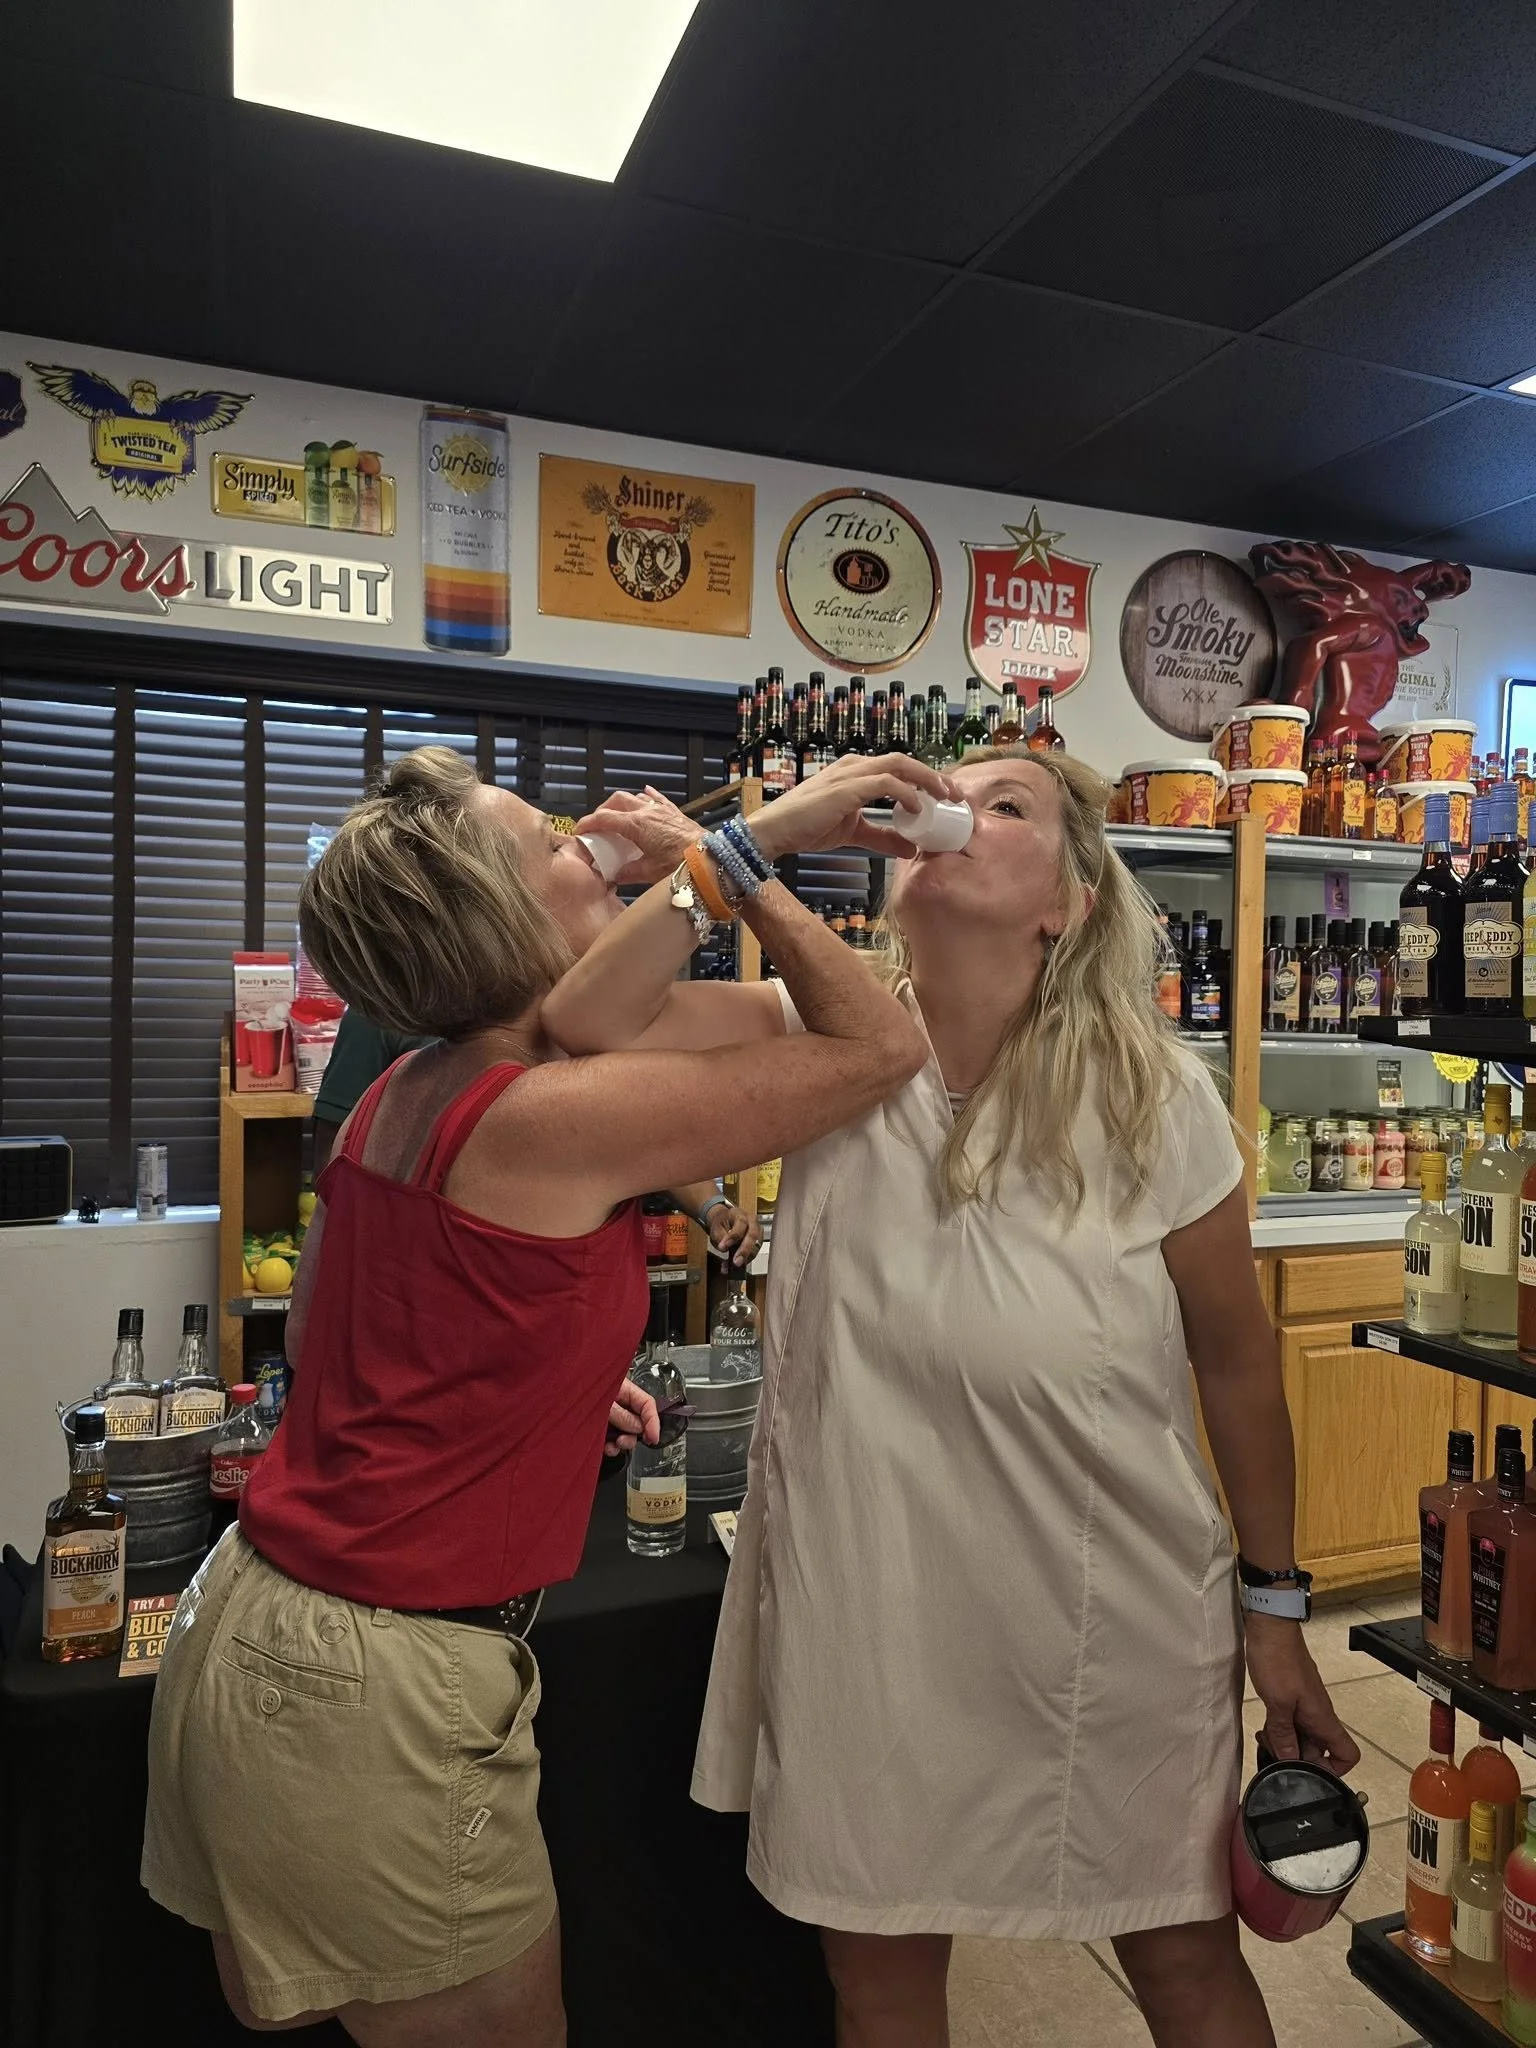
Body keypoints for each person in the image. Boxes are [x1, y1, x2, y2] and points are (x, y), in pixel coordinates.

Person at [544, 746, 1362, 2048]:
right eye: (951, 795)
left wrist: (1273, 1613)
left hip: (1112, 1612)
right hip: (873, 1610)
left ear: (1071, 903)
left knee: (1186, 1960)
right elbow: (579, 1024)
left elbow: (1237, 1362)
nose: (958, 814)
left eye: (1008, 806)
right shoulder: (815, 1042)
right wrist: (758, 841)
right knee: (876, 1979)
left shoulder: (1156, 1099)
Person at [142, 744, 943, 2047]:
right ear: (503, 929)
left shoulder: (411, 1090)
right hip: (372, 1682)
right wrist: (756, 840)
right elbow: (877, 1046)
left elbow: (400, 1325)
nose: (603, 844)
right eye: (564, 847)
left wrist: (553, 1377)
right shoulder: (543, 1119)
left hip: (253, 1624)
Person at [312, 1003, 763, 1265]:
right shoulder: (381, 1016)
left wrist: (710, 1203)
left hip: (557, 1273)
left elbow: (632, 1133)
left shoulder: (564, 1015)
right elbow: (336, 1171)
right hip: (436, 1270)